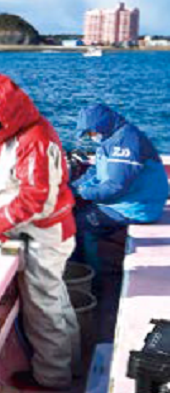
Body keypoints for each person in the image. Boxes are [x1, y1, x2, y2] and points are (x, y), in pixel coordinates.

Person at [0, 74, 80, 391]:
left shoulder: (34, 140)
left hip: (42, 235)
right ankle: (71, 362)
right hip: (48, 230)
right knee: (55, 299)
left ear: (5, 114)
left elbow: (35, 200)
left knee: (43, 307)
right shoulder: (21, 131)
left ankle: (53, 376)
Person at [71, 104, 169, 272]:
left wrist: (82, 192)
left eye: (90, 132)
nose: (90, 136)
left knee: (80, 225)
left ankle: (92, 277)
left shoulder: (126, 143)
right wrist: (72, 188)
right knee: (79, 212)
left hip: (138, 207)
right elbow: (96, 172)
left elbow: (115, 187)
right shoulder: (111, 138)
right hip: (127, 201)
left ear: (100, 124)